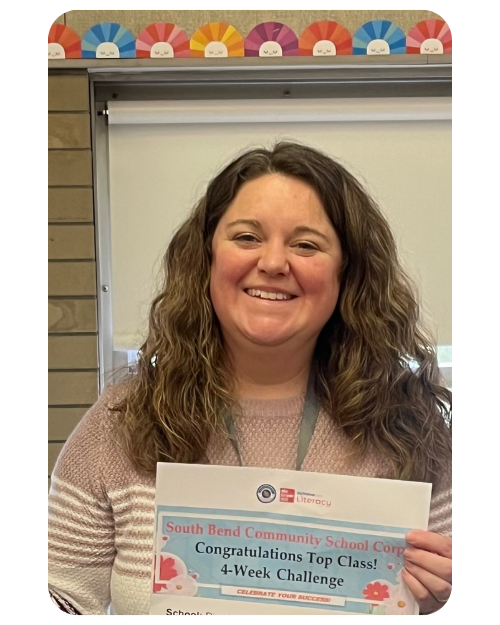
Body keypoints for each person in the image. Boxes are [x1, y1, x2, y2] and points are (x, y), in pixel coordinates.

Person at [48, 141, 452, 615]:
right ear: (207, 258)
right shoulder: (121, 423)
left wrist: (449, 604)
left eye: (306, 245)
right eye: (246, 237)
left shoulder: (411, 430)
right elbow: (58, 599)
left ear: (348, 272)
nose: (274, 263)